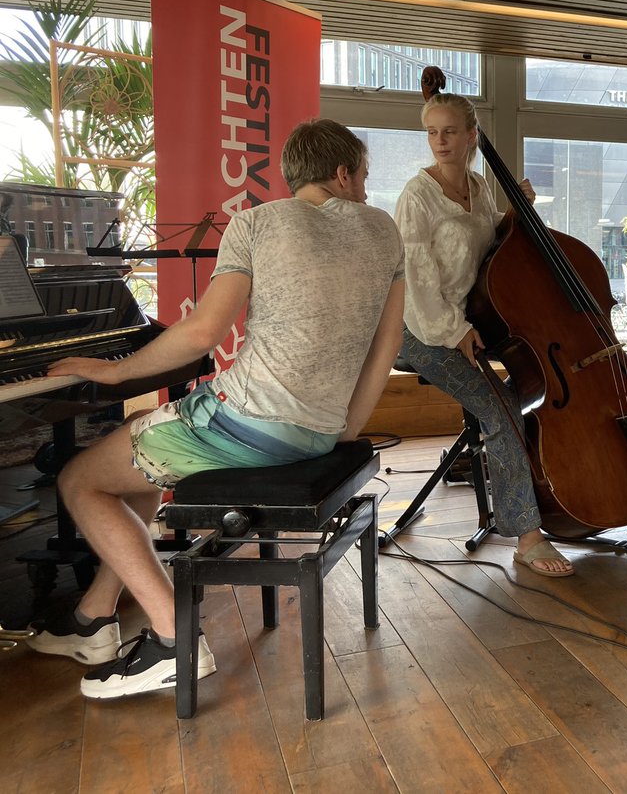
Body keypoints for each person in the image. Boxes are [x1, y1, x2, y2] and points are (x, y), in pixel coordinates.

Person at [27, 119, 406, 700]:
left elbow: (204, 333)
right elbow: (387, 344)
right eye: (363, 177)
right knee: (136, 441)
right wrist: (345, 427)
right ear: (343, 173)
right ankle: (94, 615)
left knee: (80, 479)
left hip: (242, 420)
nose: (363, 189)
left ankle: (171, 639)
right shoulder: (384, 231)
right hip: (321, 430)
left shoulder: (255, 223)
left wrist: (114, 369)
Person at [394, 92, 573, 578]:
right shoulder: (417, 194)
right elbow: (417, 277)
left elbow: (489, 237)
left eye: (450, 131)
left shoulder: (476, 184)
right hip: (423, 332)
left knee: (525, 392)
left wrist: (516, 212)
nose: (440, 141)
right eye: (432, 132)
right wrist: (454, 331)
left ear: (472, 135)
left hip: (471, 323)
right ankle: (527, 537)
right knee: (499, 409)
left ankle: (545, 486)